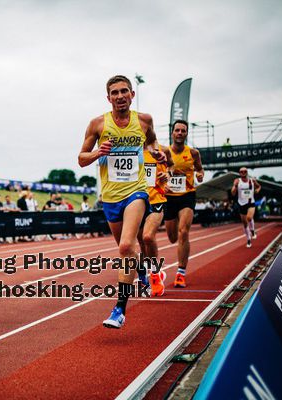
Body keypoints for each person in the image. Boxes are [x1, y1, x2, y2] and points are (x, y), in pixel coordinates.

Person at [78, 74, 165, 329]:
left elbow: (151, 141)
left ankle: (119, 309)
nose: (119, 96)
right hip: (110, 197)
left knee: (127, 245)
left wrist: (155, 151)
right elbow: (81, 159)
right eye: (114, 93)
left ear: (131, 95)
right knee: (128, 250)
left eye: (124, 91)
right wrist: (98, 153)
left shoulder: (144, 120)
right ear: (108, 98)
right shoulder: (97, 124)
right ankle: (141, 272)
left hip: (136, 191)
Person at [164, 120, 204, 288]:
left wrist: (200, 175)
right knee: (172, 237)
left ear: (186, 133)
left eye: (183, 131)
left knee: (183, 232)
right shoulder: (164, 152)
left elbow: (200, 169)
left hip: (187, 196)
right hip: (169, 197)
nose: (180, 133)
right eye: (177, 130)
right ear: (172, 133)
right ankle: (180, 269)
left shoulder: (193, 153)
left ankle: (181, 273)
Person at [137, 143, 173, 296]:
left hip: (156, 199)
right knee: (141, 244)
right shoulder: (131, 149)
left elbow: (171, 165)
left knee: (148, 236)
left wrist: (169, 175)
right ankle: (144, 272)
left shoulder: (162, 149)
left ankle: (155, 275)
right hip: (136, 202)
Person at [231, 167, 261, 248]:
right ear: (239, 173)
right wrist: (235, 186)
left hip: (251, 203)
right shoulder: (237, 181)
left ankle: (253, 231)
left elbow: (258, 186)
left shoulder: (252, 180)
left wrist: (257, 190)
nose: (243, 173)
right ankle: (248, 240)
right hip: (241, 204)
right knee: (245, 224)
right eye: (241, 171)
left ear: (247, 172)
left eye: (245, 171)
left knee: (249, 218)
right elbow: (233, 193)